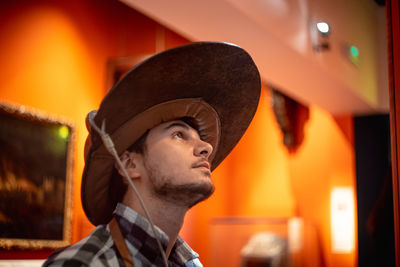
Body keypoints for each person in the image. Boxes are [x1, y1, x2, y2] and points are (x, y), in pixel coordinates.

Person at [43, 42, 261, 266]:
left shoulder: (190, 264)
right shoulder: (83, 264)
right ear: (129, 163)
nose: (207, 147)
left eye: (200, 137)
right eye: (178, 134)